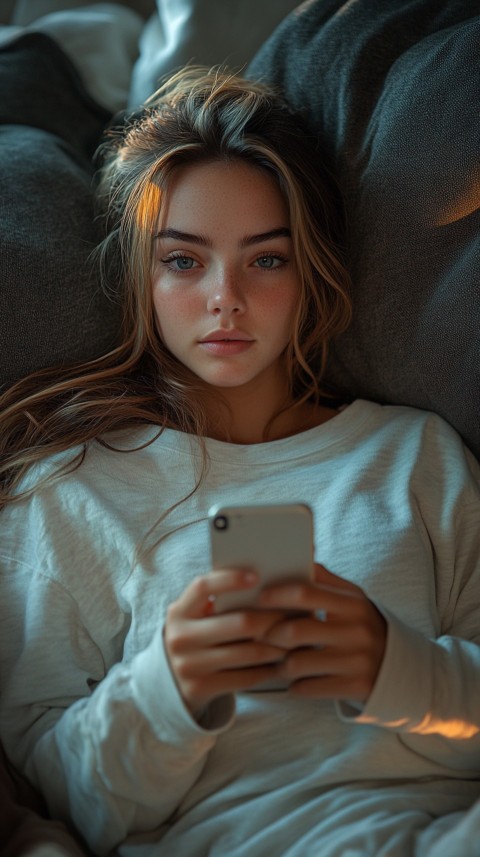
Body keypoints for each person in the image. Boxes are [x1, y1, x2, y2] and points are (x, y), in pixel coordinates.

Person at [0, 63, 479, 857]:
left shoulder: (414, 457)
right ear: (140, 275)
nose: (226, 297)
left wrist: (398, 668)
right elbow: (53, 796)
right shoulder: (69, 492)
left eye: (266, 259)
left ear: (310, 269)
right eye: (184, 260)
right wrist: (169, 686)